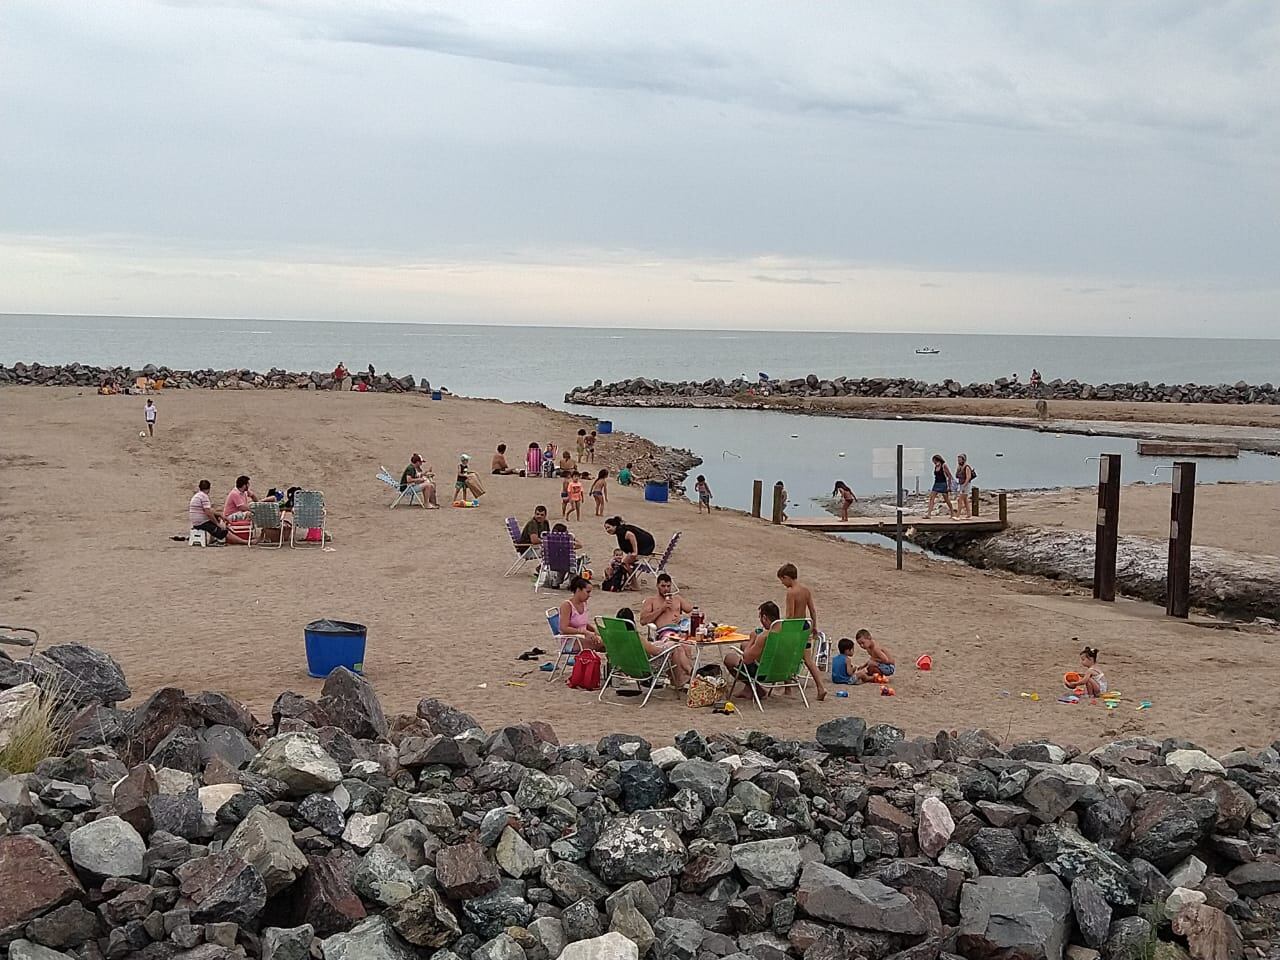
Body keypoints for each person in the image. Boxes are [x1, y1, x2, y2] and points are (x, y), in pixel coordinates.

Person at [777, 563, 828, 701]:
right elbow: (812, 610)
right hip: (806, 626)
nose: (782, 583)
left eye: (782, 580)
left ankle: (788, 689)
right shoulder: (805, 591)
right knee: (808, 660)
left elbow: (790, 616)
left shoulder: (791, 593)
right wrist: (815, 625)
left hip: (795, 628)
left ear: (787, 577)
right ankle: (821, 687)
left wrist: (784, 631)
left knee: (786, 656)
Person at [636, 574, 695, 688]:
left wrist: (682, 618)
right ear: (657, 585)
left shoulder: (677, 599)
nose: (666, 589)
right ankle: (689, 674)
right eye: (663, 586)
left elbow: (693, 610)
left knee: (686, 646)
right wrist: (661, 609)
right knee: (677, 647)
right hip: (665, 633)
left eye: (668, 586)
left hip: (680, 631)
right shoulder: (651, 601)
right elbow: (643, 620)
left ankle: (684, 678)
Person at [724, 601, 782, 697]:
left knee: (729, 658)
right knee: (744, 645)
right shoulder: (788, 632)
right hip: (783, 669)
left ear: (764, 618)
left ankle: (757, 689)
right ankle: (748, 690)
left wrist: (752, 639)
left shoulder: (764, 636)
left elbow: (746, 660)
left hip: (764, 673)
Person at [189, 479, 246, 545]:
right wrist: (217, 524)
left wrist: (220, 515)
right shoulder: (204, 497)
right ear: (209, 488)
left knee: (217, 517)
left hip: (196, 522)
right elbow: (208, 513)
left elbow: (209, 510)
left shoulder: (197, 496)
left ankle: (213, 538)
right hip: (201, 523)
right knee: (223, 532)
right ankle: (244, 541)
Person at [558, 576, 603, 652]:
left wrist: (594, 630)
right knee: (606, 644)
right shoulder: (567, 606)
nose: (589, 595)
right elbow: (564, 628)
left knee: (608, 641)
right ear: (578, 590)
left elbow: (583, 623)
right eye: (587, 592)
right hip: (571, 641)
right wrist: (584, 632)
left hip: (582, 637)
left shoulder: (584, 603)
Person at [926, 455, 955, 519]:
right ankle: (929, 514)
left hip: (943, 484)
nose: (933, 462)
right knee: (932, 498)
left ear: (937, 459)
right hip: (936, 483)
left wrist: (949, 486)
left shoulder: (944, 465)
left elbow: (949, 476)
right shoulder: (936, 466)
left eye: (934, 460)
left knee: (946, 499)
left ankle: (952, 512)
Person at [954, 454, 976, 518]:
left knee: (960, 499)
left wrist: (964, 486)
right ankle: (969, 514)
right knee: (965, 500)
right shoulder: (959, 467)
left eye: (960, 459)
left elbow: (968, 477)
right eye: (958, 460)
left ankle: (958, 515)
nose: (959, 461)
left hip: (966, 485)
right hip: (961, 484)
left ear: (963, 460)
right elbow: (957, 476)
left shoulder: (967, 467)